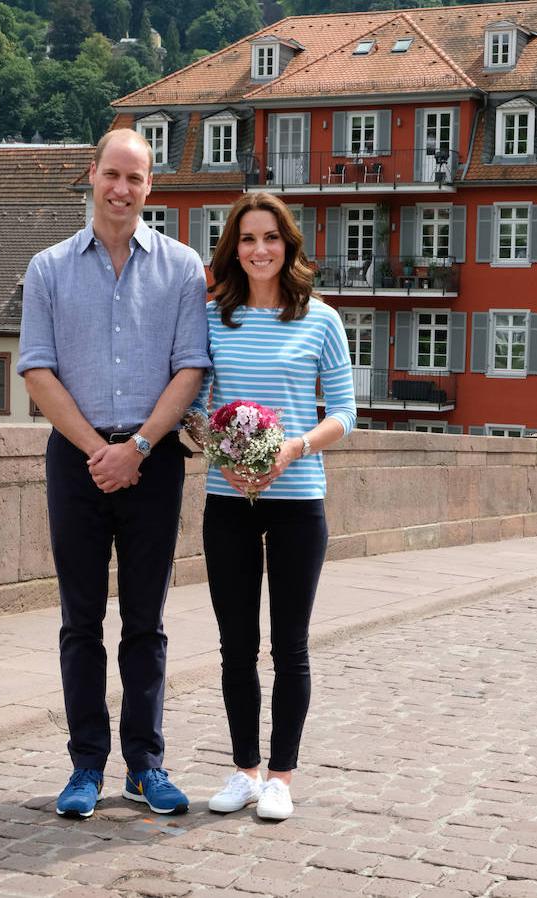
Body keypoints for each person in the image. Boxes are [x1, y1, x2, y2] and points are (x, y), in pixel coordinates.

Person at [17, 128, 210, 819]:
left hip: (154, 463)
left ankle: (145, 765)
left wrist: (138, 448)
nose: (122, 189)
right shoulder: (48, 268)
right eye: (112, 175)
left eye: (136, 177)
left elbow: (192, 366)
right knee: (79, 621)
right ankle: (86, 766)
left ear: (150, 186)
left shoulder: (183, 267)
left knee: (147, 622)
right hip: (75, 461)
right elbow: (36, 368)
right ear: (91, 175)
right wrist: (99, 450)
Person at [186, 193, 356, 820]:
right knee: (236, 645)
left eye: (271, 237)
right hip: (228, 500)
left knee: (291, 644)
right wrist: (219, 450)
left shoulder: (321, 320)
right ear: (233, 248)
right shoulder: (211, 316)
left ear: (289, 245)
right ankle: (244, 771)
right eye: (247, 239)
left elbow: (344, 412)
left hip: (297, 499)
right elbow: (195, 403)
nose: (260, 249)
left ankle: (281, 775)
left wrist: (294, 447)